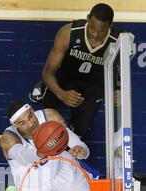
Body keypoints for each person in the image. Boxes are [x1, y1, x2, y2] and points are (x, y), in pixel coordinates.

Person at [29, 3, 124, 139]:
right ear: (87, 19)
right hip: (67, 75)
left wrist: (119, 89)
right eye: (92, 28)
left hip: (95, 84)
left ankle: (77, 129)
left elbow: (120, 69)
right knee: (49, 103)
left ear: (110, 26)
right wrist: (62, 94)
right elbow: (47, 73)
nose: (95, 35)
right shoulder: (67, 33)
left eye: (101, 31)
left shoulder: (119, 41)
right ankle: (44, 88)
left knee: (80, 131)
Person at [0, 100, 98, 191]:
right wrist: (39, 153)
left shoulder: (50, 117)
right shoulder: (8, 139)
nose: (31, 124)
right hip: (34, 182)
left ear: (32, 110)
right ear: (14, 124)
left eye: (30, 116)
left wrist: (81, 150)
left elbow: (78, 144)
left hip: (59, 168)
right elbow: (21, 156)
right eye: (23, 123)